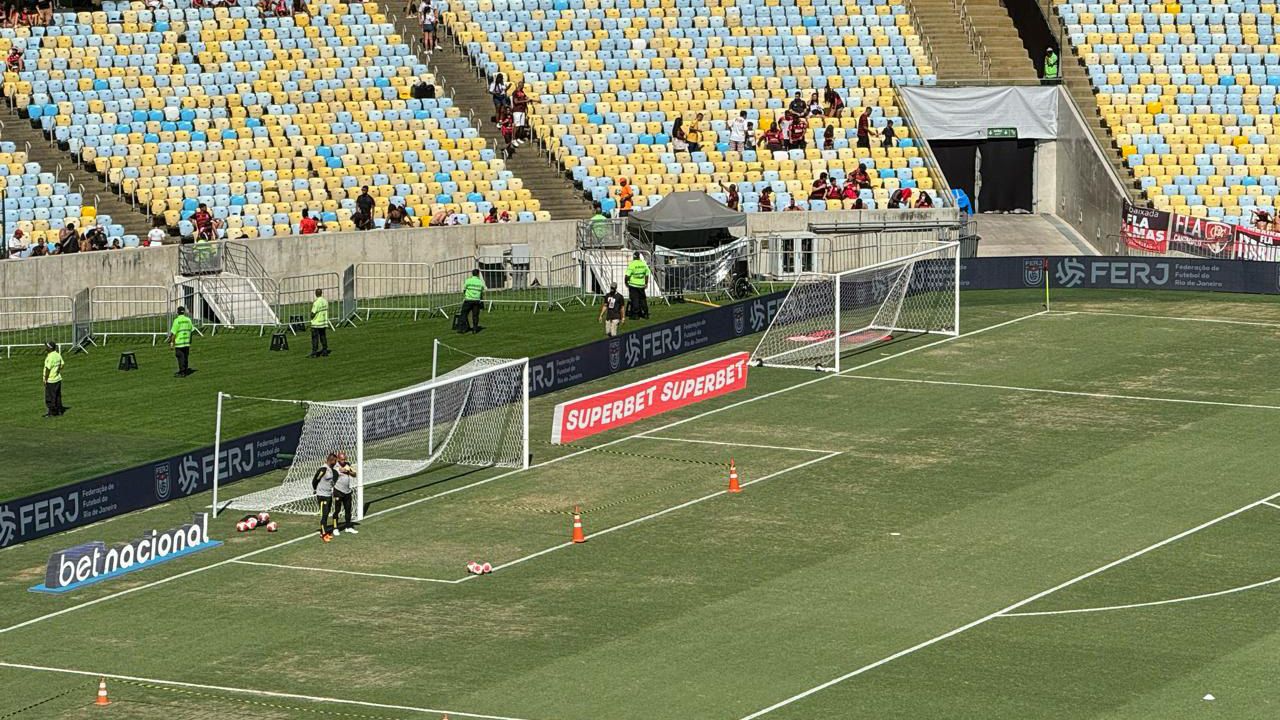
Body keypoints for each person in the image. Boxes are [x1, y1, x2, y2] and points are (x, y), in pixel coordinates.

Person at [312, 453, 338, 542]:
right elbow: (315, 480)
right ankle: (323, 534)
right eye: (335, 461)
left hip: (328, 495)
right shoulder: (323, 469)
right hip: (322, 496)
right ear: (331, 460)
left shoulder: (331, 469)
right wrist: (316, 490)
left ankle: (324, 531)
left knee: (326, 514)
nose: (336, 463)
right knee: (324, 514)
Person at [331, 452, 358, 535]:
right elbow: (336, 472)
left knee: (348, 510)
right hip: (338, 491)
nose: (343, 461)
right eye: (342, 459)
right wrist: (343, 470)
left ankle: (348, 527)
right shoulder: (335, 466)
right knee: (337, 510)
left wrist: (349, 471)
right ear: (338, 459)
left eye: (344, 459)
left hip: (347, 491)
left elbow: (354, 474)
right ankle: (335, 528)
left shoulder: (348, 464)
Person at [167, 305, 195, 377]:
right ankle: (185, 370)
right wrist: (190, 340)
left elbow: (173, 333)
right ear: (184, 312)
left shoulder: (177, 321)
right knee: (185, 357)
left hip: (179, 342)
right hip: (186, 341)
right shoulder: (188, 320)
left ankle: (182, 372)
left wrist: (172, 342)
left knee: (180, 357)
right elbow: (191, 331)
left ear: (177, 312)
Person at [459, 268, 485, 333]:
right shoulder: (480, 282)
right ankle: (475, 329)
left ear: (472, 274)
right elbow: (482, 291)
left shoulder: (468, 280)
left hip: (468, 300)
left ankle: (464, 328)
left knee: (464, 314)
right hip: (476, 300)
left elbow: (464, 289)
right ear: (478, 274)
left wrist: (466, 295)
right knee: (475, 315)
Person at [42, 340, 64, 418]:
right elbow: (62, 365)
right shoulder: (58, 355)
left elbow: (48, 369)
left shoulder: (50, 357)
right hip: (58, 379)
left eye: (46, 346)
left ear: (50, 348)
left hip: (51, 380)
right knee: (58, 396)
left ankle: (52, 412)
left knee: (50, 397)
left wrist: (45, 378)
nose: (45, 347)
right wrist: (57, 370)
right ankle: (59, 410)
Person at [625, 251, 650, 320]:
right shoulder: (643, 264)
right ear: (639, 257)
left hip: (633, 285)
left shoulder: (632, 264)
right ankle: (646, 314)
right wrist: (646, 283)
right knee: (643, 299)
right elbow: (647, 274)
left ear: (633, 257)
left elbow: (627, 275)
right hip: (641, 285)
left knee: (635, 299)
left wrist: (626, 282)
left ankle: (636, 315)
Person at [309, 288, 330, 358]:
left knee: (315, 338)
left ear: (315, 294)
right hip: (323, 322)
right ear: (321, 293)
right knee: (323, 336)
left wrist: (311, 316)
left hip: (316, 323)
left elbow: (313, 313)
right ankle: (325, 351)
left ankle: (314, 352)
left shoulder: (316, 302)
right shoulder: (325, 301)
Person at [511, 81, 531, 145]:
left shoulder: (522, 92)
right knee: (517, 126)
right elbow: (516, 102)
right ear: (520, 85)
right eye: (522, 85)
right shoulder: (515, 92)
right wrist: (525, 100)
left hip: (522, 110)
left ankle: (518, 138)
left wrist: (528, 99)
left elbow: (526, 97)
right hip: (517, 111)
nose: (523, 87)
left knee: (521, 126)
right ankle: (513, 139)